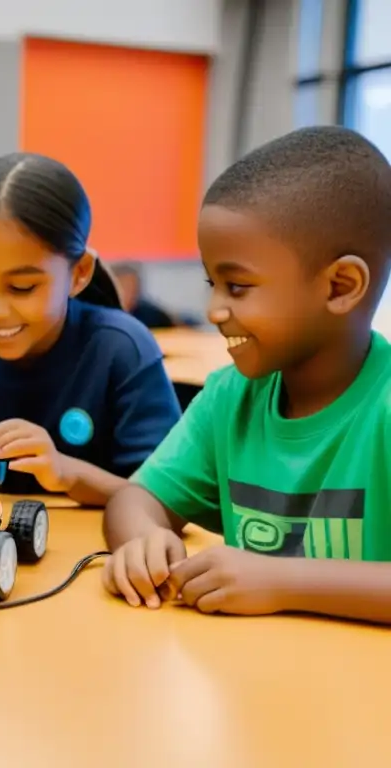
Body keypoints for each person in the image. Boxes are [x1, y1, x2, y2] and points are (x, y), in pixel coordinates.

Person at [101, 125, 391, 625]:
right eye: (213, 283)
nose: (213, 309)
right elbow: (135, 498)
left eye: (237, 286)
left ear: (341, 286)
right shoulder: (229, 398)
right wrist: (144, 540)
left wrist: (281, 580)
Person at [0, 152, 182, 506]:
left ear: (78, 273)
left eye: (22, 288)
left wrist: (65, 472)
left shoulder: (122, 351)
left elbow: (169, 499)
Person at [112, 262, 178, 329]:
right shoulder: (105, 314)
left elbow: (177, 327)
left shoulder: (151, 314)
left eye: (133, 287)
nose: (130, 292)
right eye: (125, 286)